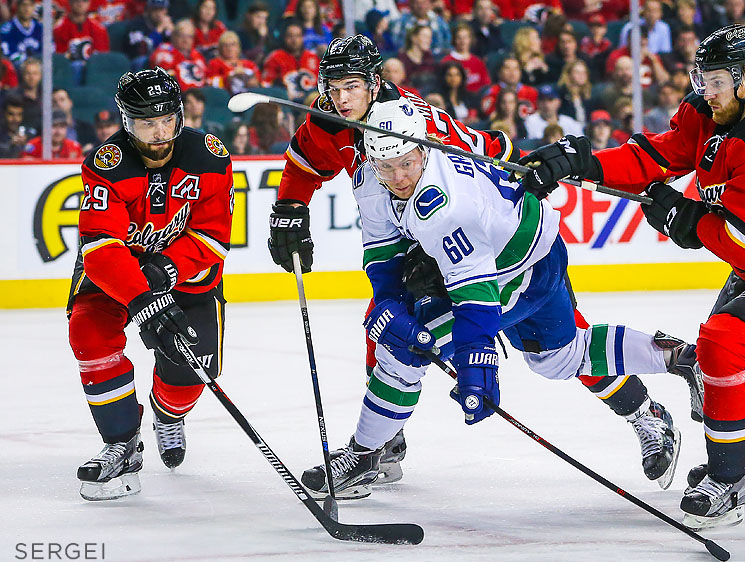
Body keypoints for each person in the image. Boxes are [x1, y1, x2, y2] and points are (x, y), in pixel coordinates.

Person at [516, 24, 745, 529]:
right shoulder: (711, 111)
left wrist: (687, 219)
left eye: (717, 80)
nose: (705, 90)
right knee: (723, 361)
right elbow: (657, 157)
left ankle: (728, 478)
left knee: (726, 345)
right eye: (701, 78)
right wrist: (587, 164)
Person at [298, 96, 693, 500]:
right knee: (559, 358)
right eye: (387, 166)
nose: (399, 176)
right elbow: (383, 251)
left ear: (423, 147)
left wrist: (476, 365)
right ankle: (676, 358)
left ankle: (363, 457)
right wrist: (387, 302)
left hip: (516, 264)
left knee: (405, 353)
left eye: (408, 163)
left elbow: (478, 298)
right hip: (529, 244)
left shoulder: (443, 205)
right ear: (369, 158)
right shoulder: (371, 176)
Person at [267, 35, 519, 483]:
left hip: (466, 235)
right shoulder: (329, 119)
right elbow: (303, 162)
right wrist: (289, 208)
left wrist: (512, 157)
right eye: (333, 86)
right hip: (401, 230)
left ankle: (376, 444)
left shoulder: (409, 123)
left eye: (352, 86)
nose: (341, 98)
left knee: (557, 344)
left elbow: (479, 152)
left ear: (375, 82)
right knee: (386, 324)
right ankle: (382, 442)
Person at [68, 67, 234, 501]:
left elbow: (213, 238)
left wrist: (164, 272)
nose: (159, 133)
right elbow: (101, 247)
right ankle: (121, 443)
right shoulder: (107, 165)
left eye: (166, 120)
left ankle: (168, 413)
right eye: (146, 123)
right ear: (126, 122)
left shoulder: (210, 157)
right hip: (118, 275)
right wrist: (143, 298)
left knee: (192, 366)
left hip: (185, 275)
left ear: (180, 115)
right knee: (88, 332)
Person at [262, 22, 320, 101]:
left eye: (297, 36)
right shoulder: (275, 57)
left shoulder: (313, 57)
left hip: (310, 101)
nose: (294, 40)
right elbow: (266, 85)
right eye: (290, 36)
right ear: (284, 38)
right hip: (287, 102)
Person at [149, 18, 207, 91]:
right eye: (182, 36)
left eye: (189, 37)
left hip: (200, 95)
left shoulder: (197, 55)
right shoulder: (164, 51)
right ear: (173, 36)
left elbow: (205, 77)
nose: (186, 40)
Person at [0, 0, 42, 66]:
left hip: (38, 69)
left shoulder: (40, 28)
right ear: (18, 7)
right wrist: (26, 58)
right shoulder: (7, 29)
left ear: (34, 7)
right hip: (16, 70)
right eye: (24, 5)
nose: (27, 9)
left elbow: (49, 51)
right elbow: (9, 55)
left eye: (30, 5)